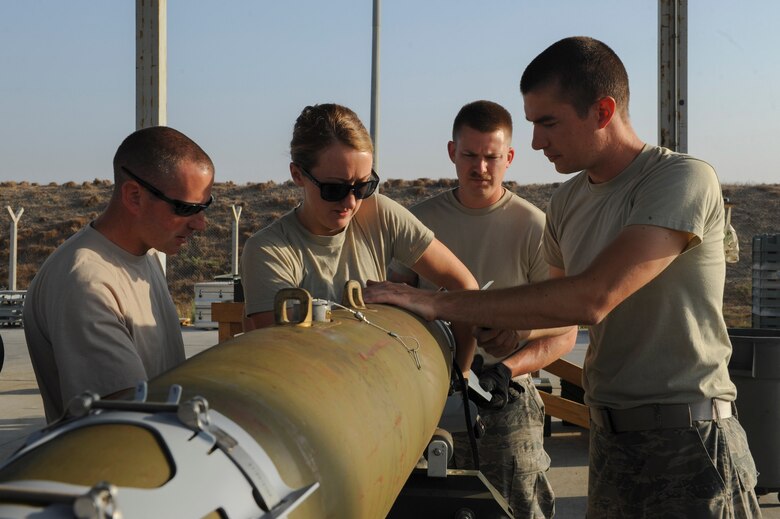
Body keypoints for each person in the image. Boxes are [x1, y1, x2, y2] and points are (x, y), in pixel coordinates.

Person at [365, 37, 761, 518]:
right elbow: (553, 312)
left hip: (690, 444)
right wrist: (516, 333)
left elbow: (590, 299)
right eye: (532, 123)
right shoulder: (567, 203)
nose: (535, 142)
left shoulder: (680, 180)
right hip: (611, 443)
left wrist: (440, 303)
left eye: (548, 122)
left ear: (602, 111)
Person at [389, 100, 576, 518]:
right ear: (452, 152)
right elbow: (394, 305)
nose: (481, 168)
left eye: (492, 157)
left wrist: (514, 352)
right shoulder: (416, 223)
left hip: (505, 402)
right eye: (470, 155)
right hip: (425, 398)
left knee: (518, 508)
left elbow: (564, 329)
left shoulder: (534, 227)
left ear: (509, 158)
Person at [240, 102, 479, 371]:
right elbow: (278, 357)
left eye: (363, 186)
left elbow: (465, 288)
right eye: (334, 189)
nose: (351, 202)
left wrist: (461, 374)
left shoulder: (379, 215)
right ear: (297, 175)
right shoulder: (269, 251)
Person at [24, 126, 215, 423]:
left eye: (205, 207)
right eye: (185, 208)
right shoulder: (87, 281)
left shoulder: (145, 254)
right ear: (134, 196)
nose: (200, 224)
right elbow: (124, 418)